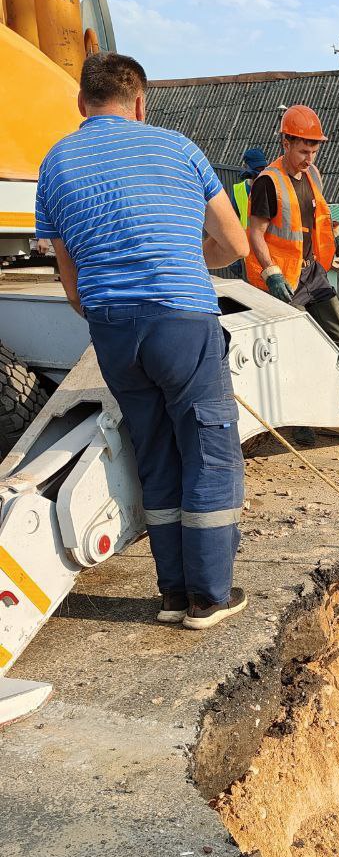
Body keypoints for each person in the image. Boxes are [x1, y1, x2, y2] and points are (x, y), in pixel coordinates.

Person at [35, 52, 250, 631]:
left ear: (82, 103)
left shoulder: (55, 164)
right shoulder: (179, 149)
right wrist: (184, 265)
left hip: (112, 330)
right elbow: (234, 245)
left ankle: (174, 594)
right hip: (182, 321)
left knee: (154, 450)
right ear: (139, 102)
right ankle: (209, 597)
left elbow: (70, 280)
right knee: (208, 449)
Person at [246, 105, 339, 348]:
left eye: (314, 151)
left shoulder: (312, 173)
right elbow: (255, 233)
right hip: (284, 278)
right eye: (304, 151)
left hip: (311, 272)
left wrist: (334, 233)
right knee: (295, 344)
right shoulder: (268, 183)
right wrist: (270, 272)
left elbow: (314, 214)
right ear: (286, 143)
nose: (310, 159)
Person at [231, 146, 268, 227]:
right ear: (245, 167)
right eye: (256, 168)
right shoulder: (237, 190)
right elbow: (233, 220)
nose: (260, 172)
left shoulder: (272, 186)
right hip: (245, 238)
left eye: (263, 168)